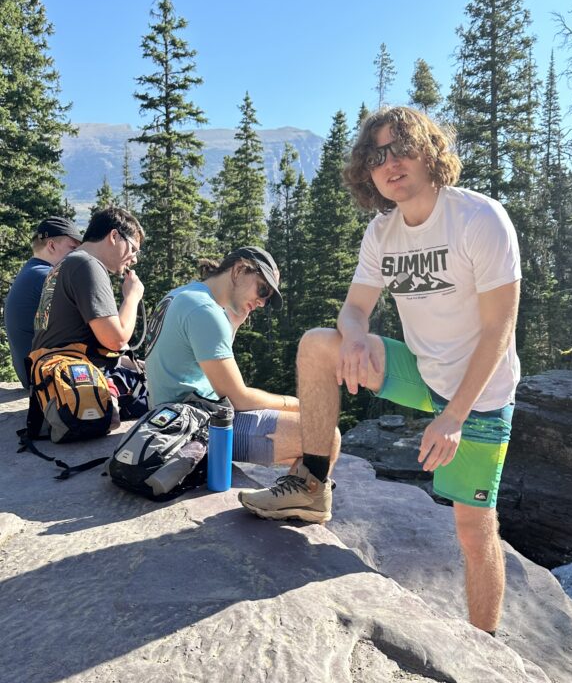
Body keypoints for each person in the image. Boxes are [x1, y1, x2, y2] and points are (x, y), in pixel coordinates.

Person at [239, 107, 522, 635]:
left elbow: (498, 331)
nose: (389, 163)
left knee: (473, 528)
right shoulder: (383, 232)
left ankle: (486, 651)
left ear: (431, 152)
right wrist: (356, 334)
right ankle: (311, 481)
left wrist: (454, 417)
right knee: (319, 344)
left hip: (478, 391)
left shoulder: (479, 219)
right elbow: (353, 307)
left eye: (401, 149)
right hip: (421, 369)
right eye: (377, 156)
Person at [145, 246, 340, 469]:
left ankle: (294, 494)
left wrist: (233, 326)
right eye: (263, 290)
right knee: (326, 437)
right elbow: (238, 398)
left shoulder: (181, 295)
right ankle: (299, 498)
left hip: (167, 418)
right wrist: (293, 403)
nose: (262, 302)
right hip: (194, 429)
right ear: (238, 270)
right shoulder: (205, 310)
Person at [32, 206, 145, 370]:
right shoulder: (87, 265)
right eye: (133, 249)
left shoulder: (66, 264)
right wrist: (132, 297)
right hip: (75, 380)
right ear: (114, 236)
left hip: (54, 374)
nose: (134, 259)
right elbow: (115, 340)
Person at [4, 216, 82, 387]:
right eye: (73, 248)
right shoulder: (45, 278)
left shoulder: (32, 272)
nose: (78, 254)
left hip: (35, 374)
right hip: (46, 378)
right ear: (51, 245)